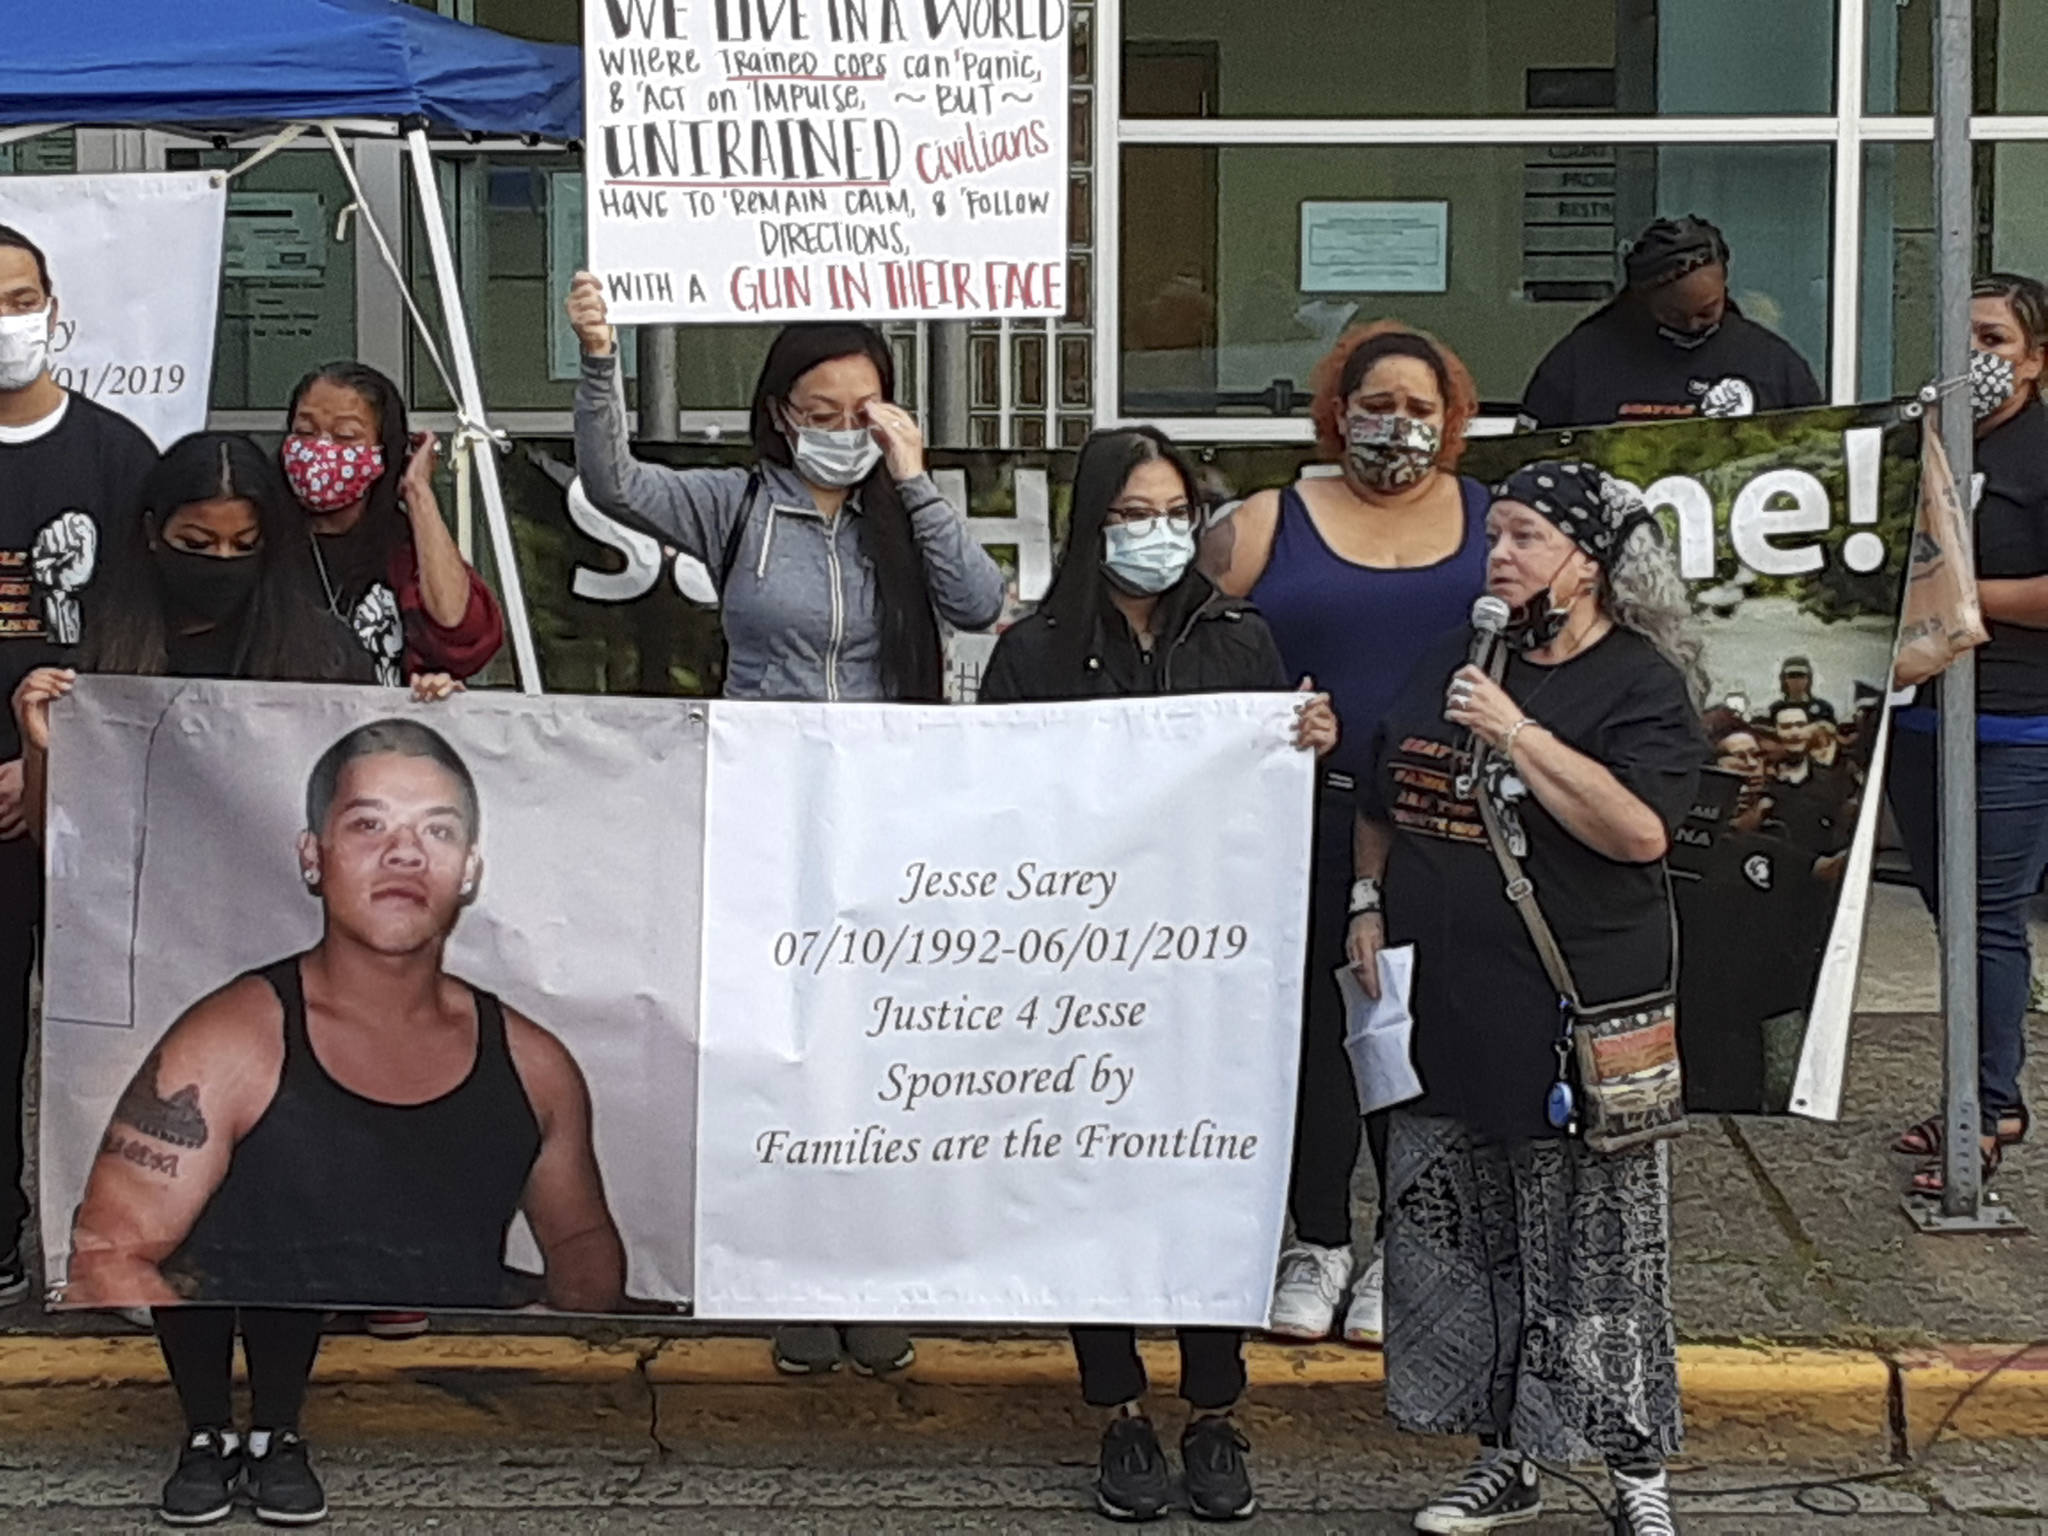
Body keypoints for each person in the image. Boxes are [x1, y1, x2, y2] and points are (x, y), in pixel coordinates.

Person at [566, 273, 1002, 1375]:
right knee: (780, 1050)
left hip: (885, 808)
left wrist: (914, 483)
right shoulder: (737, 508)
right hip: (765, 803)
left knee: (871, 1051)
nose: (842, 433)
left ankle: (872, 1273)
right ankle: (792, 1274)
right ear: (776, 415)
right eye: (821, 412)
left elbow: (979, 603)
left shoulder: (900, 518)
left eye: (865, 412)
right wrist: (601, 357)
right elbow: (613, 482)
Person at [11, 432, 449, 1528]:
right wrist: (42, 737)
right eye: (194, 541)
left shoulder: (322, 654)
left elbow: (380, 777)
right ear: (151, 536)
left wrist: (441, 715)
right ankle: (204, 1421)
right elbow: (74, 830)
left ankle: (282, 1423)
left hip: (288, 978)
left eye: (242, 544)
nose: (217, 559)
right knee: (179, 1201)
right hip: (155, 970)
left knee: (285, 1198)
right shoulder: (109, 650)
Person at [979, 425, 1335, 1523]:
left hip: (1209, 961)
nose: (1156, 534)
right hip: (1079, 962)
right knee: (1096, 1178)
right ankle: (1118, 1408)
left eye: (1173, 512)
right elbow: (989, 800)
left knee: (1204, 1173)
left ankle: (1214, 1406)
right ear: (1094, 523)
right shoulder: (1032, 651)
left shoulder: (1239, 639)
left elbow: (1273, 804)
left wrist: (1304, 742)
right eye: (1132, 515)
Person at [1349, 461, 1704, 1536]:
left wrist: (1514, 734)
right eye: (1491, 536)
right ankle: (1504, 1459)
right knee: (1471, 1250)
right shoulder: (1464, 660)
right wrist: (1364, 899)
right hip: (1450, 1008)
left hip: (1577, 1020)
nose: (1494, 557)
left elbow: (1638, 831)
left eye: (1520, 538)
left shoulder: (1638, 683)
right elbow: (1384, 785)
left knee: (1594, 1253)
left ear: (1585, 566)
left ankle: (1636, 1472)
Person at [1202, 321, 1488, 1346]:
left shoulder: (1492, 523)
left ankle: (1405, 1252)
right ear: (1336, 410)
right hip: (1294, 824)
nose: (1395, 427)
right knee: (1315, 1041)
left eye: (1419, 409)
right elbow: (1181, 640)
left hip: (1447, 829)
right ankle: (1315, 1238)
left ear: (1451, 419)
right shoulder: (1271, 519)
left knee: (1419, 1045)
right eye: (1376, 405)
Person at [0, 223, 158, 1305]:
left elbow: (149, 627)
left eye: (17, 297)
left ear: (53, 306)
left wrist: (49, 759)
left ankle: (116, 1240)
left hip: (89, 797)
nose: (5, 322)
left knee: (114, 1027)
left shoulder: (117, 455)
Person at [1891, 272, 2048, 1194]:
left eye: (1993, 341)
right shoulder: (1921, 444)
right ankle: (1979, 1092)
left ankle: (1984, 1111)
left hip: (2015, 724)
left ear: (2034, 360)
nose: (1975, 360)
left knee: (1987, 920)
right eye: (1962, 339)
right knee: (1951, 916)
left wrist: (1959, 601)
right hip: (1920, 717)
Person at [283, 362, 505, 686]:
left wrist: (418, 493)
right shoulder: (259, 537)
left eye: (346, 436)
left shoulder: (401, 550)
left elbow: (460, 631)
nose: (322, 449)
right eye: (305, 432)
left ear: (384, 449)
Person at [1520, 215, 1824, 429]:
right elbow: (1529, 467)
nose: (1692, 325)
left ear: (1725, 285)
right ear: (1639, 298)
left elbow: (1818, 459)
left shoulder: (1773, 365)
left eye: (1707, 311)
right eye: (1674, 315)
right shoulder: (1579, 363)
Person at [1767, 655, 1837, 723]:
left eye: (1801, 675)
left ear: (1808, 679)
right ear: (1784, 679)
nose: (1796, 680)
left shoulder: (1823, 708)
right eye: (1792, 675)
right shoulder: (1775, 709)